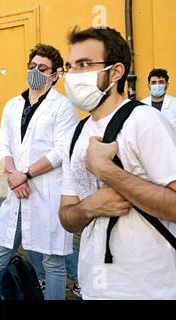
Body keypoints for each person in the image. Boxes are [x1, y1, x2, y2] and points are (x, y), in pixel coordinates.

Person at [59, 26, 176, 299]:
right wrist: (89, 208)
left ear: (116, 72)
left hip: (150, 289)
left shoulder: (144, 122)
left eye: (84, 64)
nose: (73, 75)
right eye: (70, 66)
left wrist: (105, 170)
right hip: (94, 286)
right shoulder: (75, 135)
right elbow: (66, 217)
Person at [0, 44, 78, 300]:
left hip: (46, 194)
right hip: (18, 192)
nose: (35, 71)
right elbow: (3, 143)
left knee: (53, 263)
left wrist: (24, 173)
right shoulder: (13, 105)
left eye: (42, 68)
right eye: (32, 66)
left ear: (55, 75)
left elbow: (61, 151)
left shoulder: (63, 107)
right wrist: (14, 176)